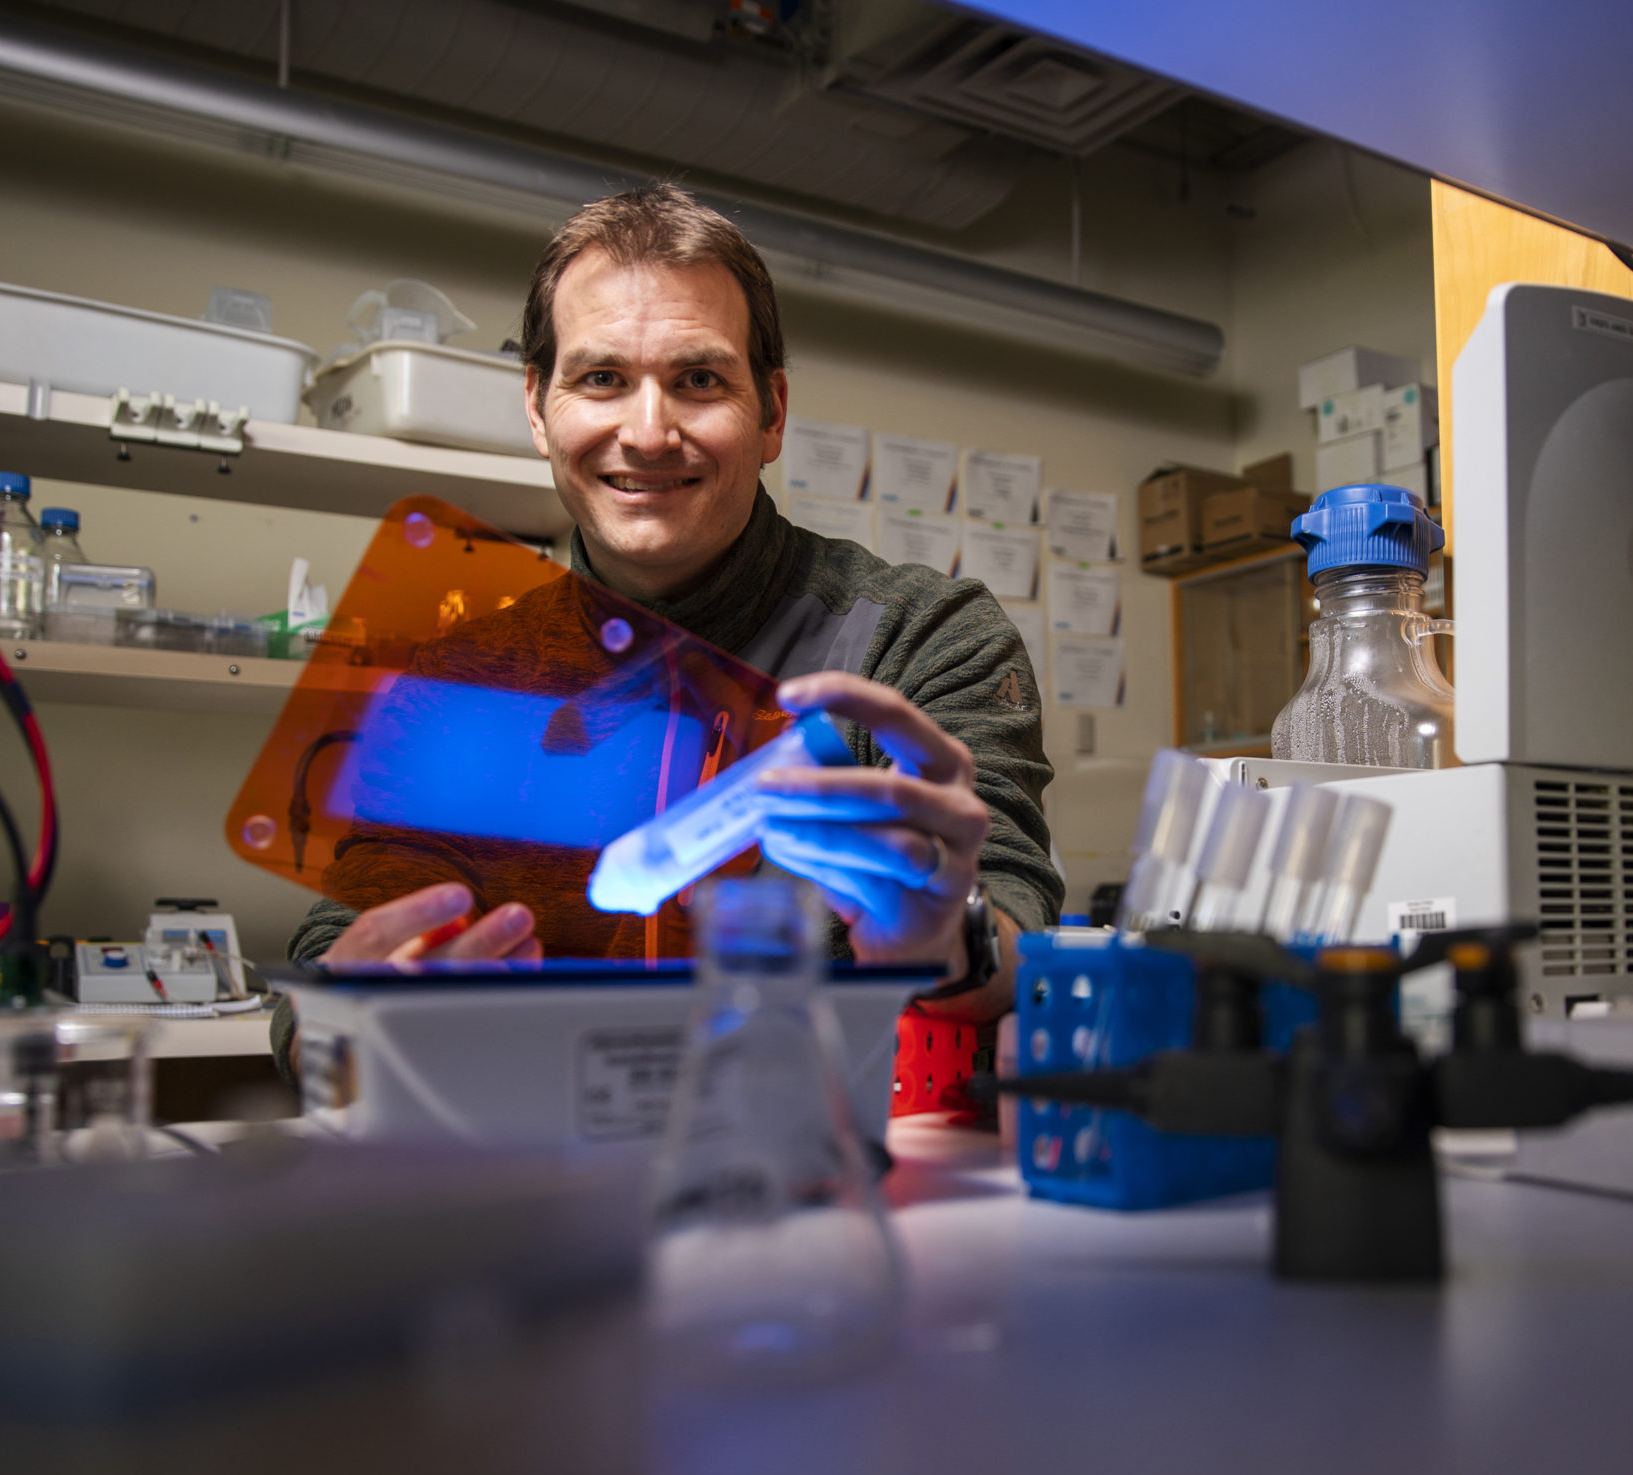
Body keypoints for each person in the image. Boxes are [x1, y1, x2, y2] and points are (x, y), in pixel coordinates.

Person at [274, 184, 1056, 1070]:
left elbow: (1019, 940)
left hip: (823, 1168)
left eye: (699, 380)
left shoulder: (921, 638)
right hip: (529, 1175)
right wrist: (344, 1021)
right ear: (538, 408)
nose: (648, 433)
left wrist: (947, 933)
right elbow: (331, 965)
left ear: (772, 412)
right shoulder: (458, 680)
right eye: (601, 378)